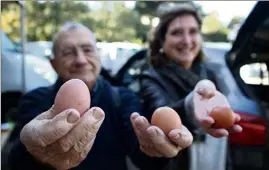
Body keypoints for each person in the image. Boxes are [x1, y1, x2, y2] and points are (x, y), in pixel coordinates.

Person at [8, 22, 194, 170]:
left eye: (87, 50)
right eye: (68, 52)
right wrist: (34, 154)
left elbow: (142, 155)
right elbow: (11, 159)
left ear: (99, 55)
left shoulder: (121, 98)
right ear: (54, 63)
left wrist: (158, 150)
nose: (81, 60)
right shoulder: (34, 100)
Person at [139, 5, 243, 170]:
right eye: (176, 32)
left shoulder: (210, 73)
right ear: (161, 40)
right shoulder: (151, 78)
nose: (187, 41)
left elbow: (223, 137)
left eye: (193, 31)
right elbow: (161, 111)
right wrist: (191, 105)